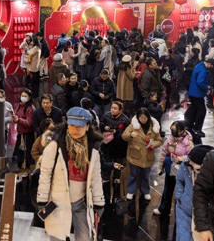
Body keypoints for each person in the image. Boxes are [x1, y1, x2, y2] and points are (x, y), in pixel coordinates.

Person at [36, 107, 105, 241]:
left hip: (82, 202)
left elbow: (96, 178)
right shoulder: (55, 146)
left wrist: (99, 202)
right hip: (58, 202)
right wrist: (42, 199)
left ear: (87, 126)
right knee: (57, 237)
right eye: (72, 125)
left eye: (80, 126)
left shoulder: (93, 149)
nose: (75, 129)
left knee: (86, 237)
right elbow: (45, 174)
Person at [153, 120, 194, 217]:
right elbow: (163, 153)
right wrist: (161, 167)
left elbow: (191, 157)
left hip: (183, 170)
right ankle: (163, 209)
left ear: (183, 131)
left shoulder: (188, 143)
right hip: (170, 168)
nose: (173, 134)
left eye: (175, 131)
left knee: (180, 192)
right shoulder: (170, 139)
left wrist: (179, 158)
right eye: (172, 131)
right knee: (167, 189)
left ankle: (180, 213)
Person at [174, 145, 214, 241]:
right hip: (184, 210)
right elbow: (179, 179)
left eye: (192, 161)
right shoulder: (186, 166)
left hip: (205, 218)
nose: (189, 162)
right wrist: (180, 195)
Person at [122, 108, 162, 200]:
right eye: (141, 117)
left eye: (145, 117)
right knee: (133, 175)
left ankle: (145, 191)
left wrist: (153, 144)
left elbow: (159, 140)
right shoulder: (133, 126)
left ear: (148, 117)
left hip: (147, 156)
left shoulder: (153, 127)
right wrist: (131, 135)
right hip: (135, 155)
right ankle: (131, 191)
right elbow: (124, 136)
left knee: (145, 176)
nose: (143, 119)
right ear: (138, 117)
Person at [186, 58, 214, 138]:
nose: (210, 68)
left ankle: (189, 125)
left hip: (192, 92)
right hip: (197, 94)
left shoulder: (199, 65)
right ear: (209, 64)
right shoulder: (202, 70)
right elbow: (200, 82)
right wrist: (207, 88)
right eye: (211, 66)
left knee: (194, 109)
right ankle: (197, 129)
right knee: (202, 111)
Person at [13, 88, 35, 170]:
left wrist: (18, 120)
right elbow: (17, 118)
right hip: (20, 134)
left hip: (27, 136)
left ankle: (27, 172)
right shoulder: (18, 105)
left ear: (29, 97)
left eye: (25, 96)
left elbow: (29, 123)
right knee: (19, 156)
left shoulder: (30, 108)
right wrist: (15, 119)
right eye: (22, 95)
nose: (23, 97)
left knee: (27, 157)